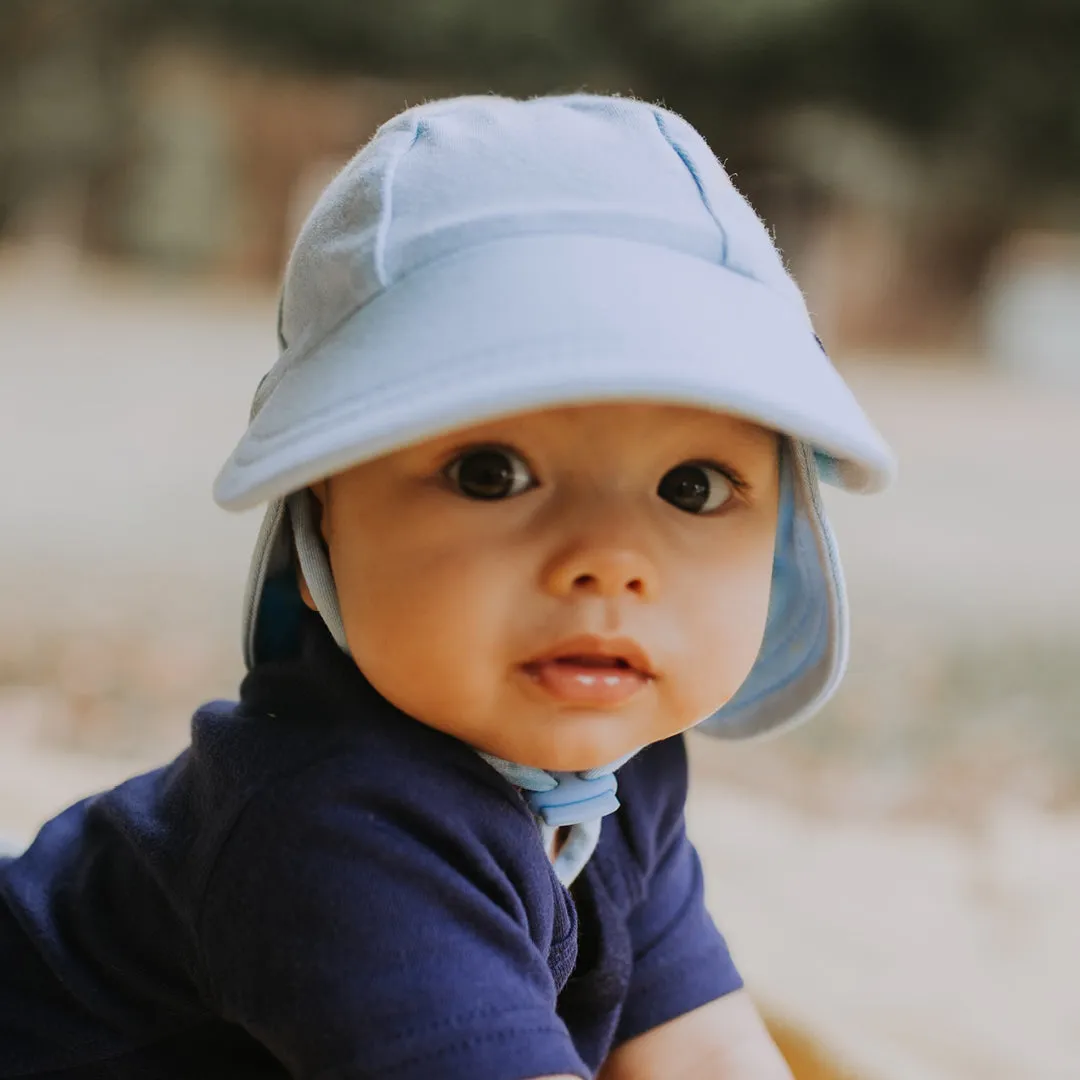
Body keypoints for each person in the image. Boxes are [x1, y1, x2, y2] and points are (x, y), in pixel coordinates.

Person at [0, 93, 895, 1079]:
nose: (608, 560)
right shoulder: (333, 830)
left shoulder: (622, 774)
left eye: (692, 487)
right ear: (320, 525)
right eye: (491, 473)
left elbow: (703, 1051)